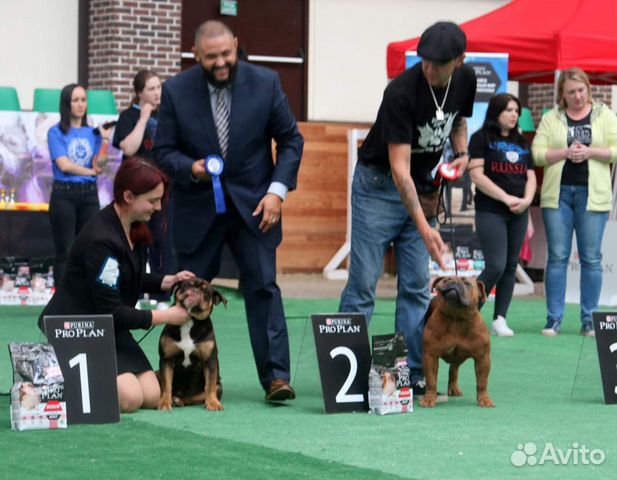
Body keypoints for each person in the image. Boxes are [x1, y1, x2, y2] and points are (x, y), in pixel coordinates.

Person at [155, 21, 303, 403]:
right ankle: (184, 386)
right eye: (212, 58)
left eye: (227, 54)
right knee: (187, 291)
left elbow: (290, 140)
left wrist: (277, 192)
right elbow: (163, 151)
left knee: (263, 288)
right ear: (196, 54)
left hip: (256, 207)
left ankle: (276, 378)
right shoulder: (175, 90)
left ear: (236, 46)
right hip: (197, 207)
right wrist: (192, 168)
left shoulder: (266, 82)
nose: (221, 63)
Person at [338, 21, 477, 392]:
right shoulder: (400, 92)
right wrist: (424, 226)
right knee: (364, 283)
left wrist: (461, 152)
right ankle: (343, 376)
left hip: (424, 188)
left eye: (439, 63)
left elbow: (459, 119)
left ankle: (412, 373)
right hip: (379, 186)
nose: (429, 68)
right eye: (425, 60)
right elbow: (400, 170)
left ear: (459, 61)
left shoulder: (466, 80)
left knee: (416, 287)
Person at [38, 158, 195, 412]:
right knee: (130, 399)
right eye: (152, 201)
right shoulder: (101, 240)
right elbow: (111, 310)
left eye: (159, 200)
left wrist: (168, 281)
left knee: (153, 395)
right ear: (129, 196)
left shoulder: (133, 226)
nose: (157, 207)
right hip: (77, 326)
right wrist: (167, 316)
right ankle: (54, 376)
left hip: (107, 326)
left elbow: (124, 277)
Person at [532, 68, 617, 337]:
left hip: (593, 196)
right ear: (563, 95)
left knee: (591, 258)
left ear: (588, 89)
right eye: (571, 92)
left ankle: (589, 319)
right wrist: (565, 152)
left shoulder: (605, 114)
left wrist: (590, 151)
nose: (577, 96)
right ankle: (553, 319)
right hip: (558, 196)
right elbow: (537, 154)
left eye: (581, 90)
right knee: (557, 257)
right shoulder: (550, 118)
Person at [468, 93, 536, 336]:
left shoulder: (522, 142)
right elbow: (477, 175)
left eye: (516, 110)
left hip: (519, 211)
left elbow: (530, 176)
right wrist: (506, 198)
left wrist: (526, 201)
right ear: (496, 112)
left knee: (510, 265)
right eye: (509, 109)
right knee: (495, 265)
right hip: (491, 210)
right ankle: (468, 313)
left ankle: (500, 319)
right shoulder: (480, 138)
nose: (514, 114)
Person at [113, 70, 174, 302]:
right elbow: (128, 149)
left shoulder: (167, 115)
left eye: (159, 87)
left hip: (162, 189)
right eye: (151, 88)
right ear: (139, 92)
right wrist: (143, 119)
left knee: (162, 239)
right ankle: (134, 295)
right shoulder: (129, 116)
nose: (157, 93)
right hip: (136, 190)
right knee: (135, 239)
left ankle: (162, 296)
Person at [47, 83, 113, 286]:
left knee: (90, 248)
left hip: (89, 195)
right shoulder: (55, 132)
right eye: (75, 100)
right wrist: (91, 172)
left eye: (83, 100)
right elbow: (64, 165)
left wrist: (103, 141)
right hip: (64, 194)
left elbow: (100, 165)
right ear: (67, 104)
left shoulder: (92, 133)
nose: (80, 104)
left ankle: (85, 298)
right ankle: (60, 302)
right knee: (65, 250)